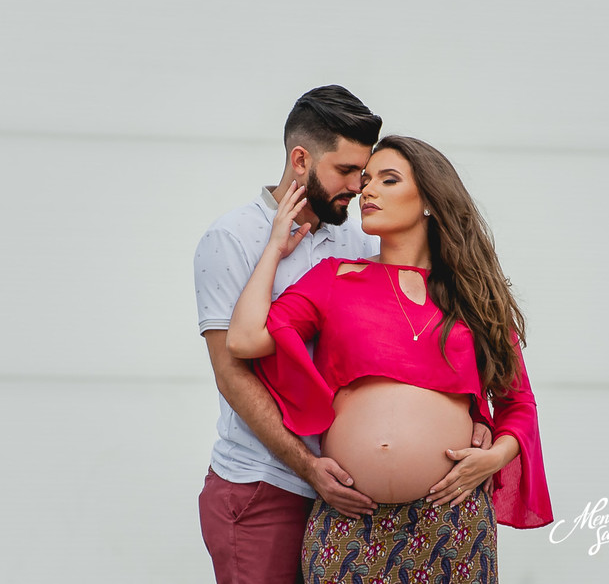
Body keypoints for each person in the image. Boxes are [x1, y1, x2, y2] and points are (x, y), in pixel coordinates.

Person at [227, 135, 554, 584]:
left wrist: (495, 456)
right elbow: (245, 340)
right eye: (365, 180)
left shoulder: (474, 298)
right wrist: (274, 248)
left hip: (451, 521)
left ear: (429, 202)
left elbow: (519, 404)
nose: (367, 191)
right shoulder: (333, 278)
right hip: (349, 523)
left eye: (388, 179)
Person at [195, 86, 489, 584]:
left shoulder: (357, 238)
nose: (360, 187)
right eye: (348, 172)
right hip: (267, 482)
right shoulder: (231, 239)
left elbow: (415, 346)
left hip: (343, 495)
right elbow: (233, 371)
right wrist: (309, 465)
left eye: (369, 173)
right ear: (301, 159)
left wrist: (473, 418)